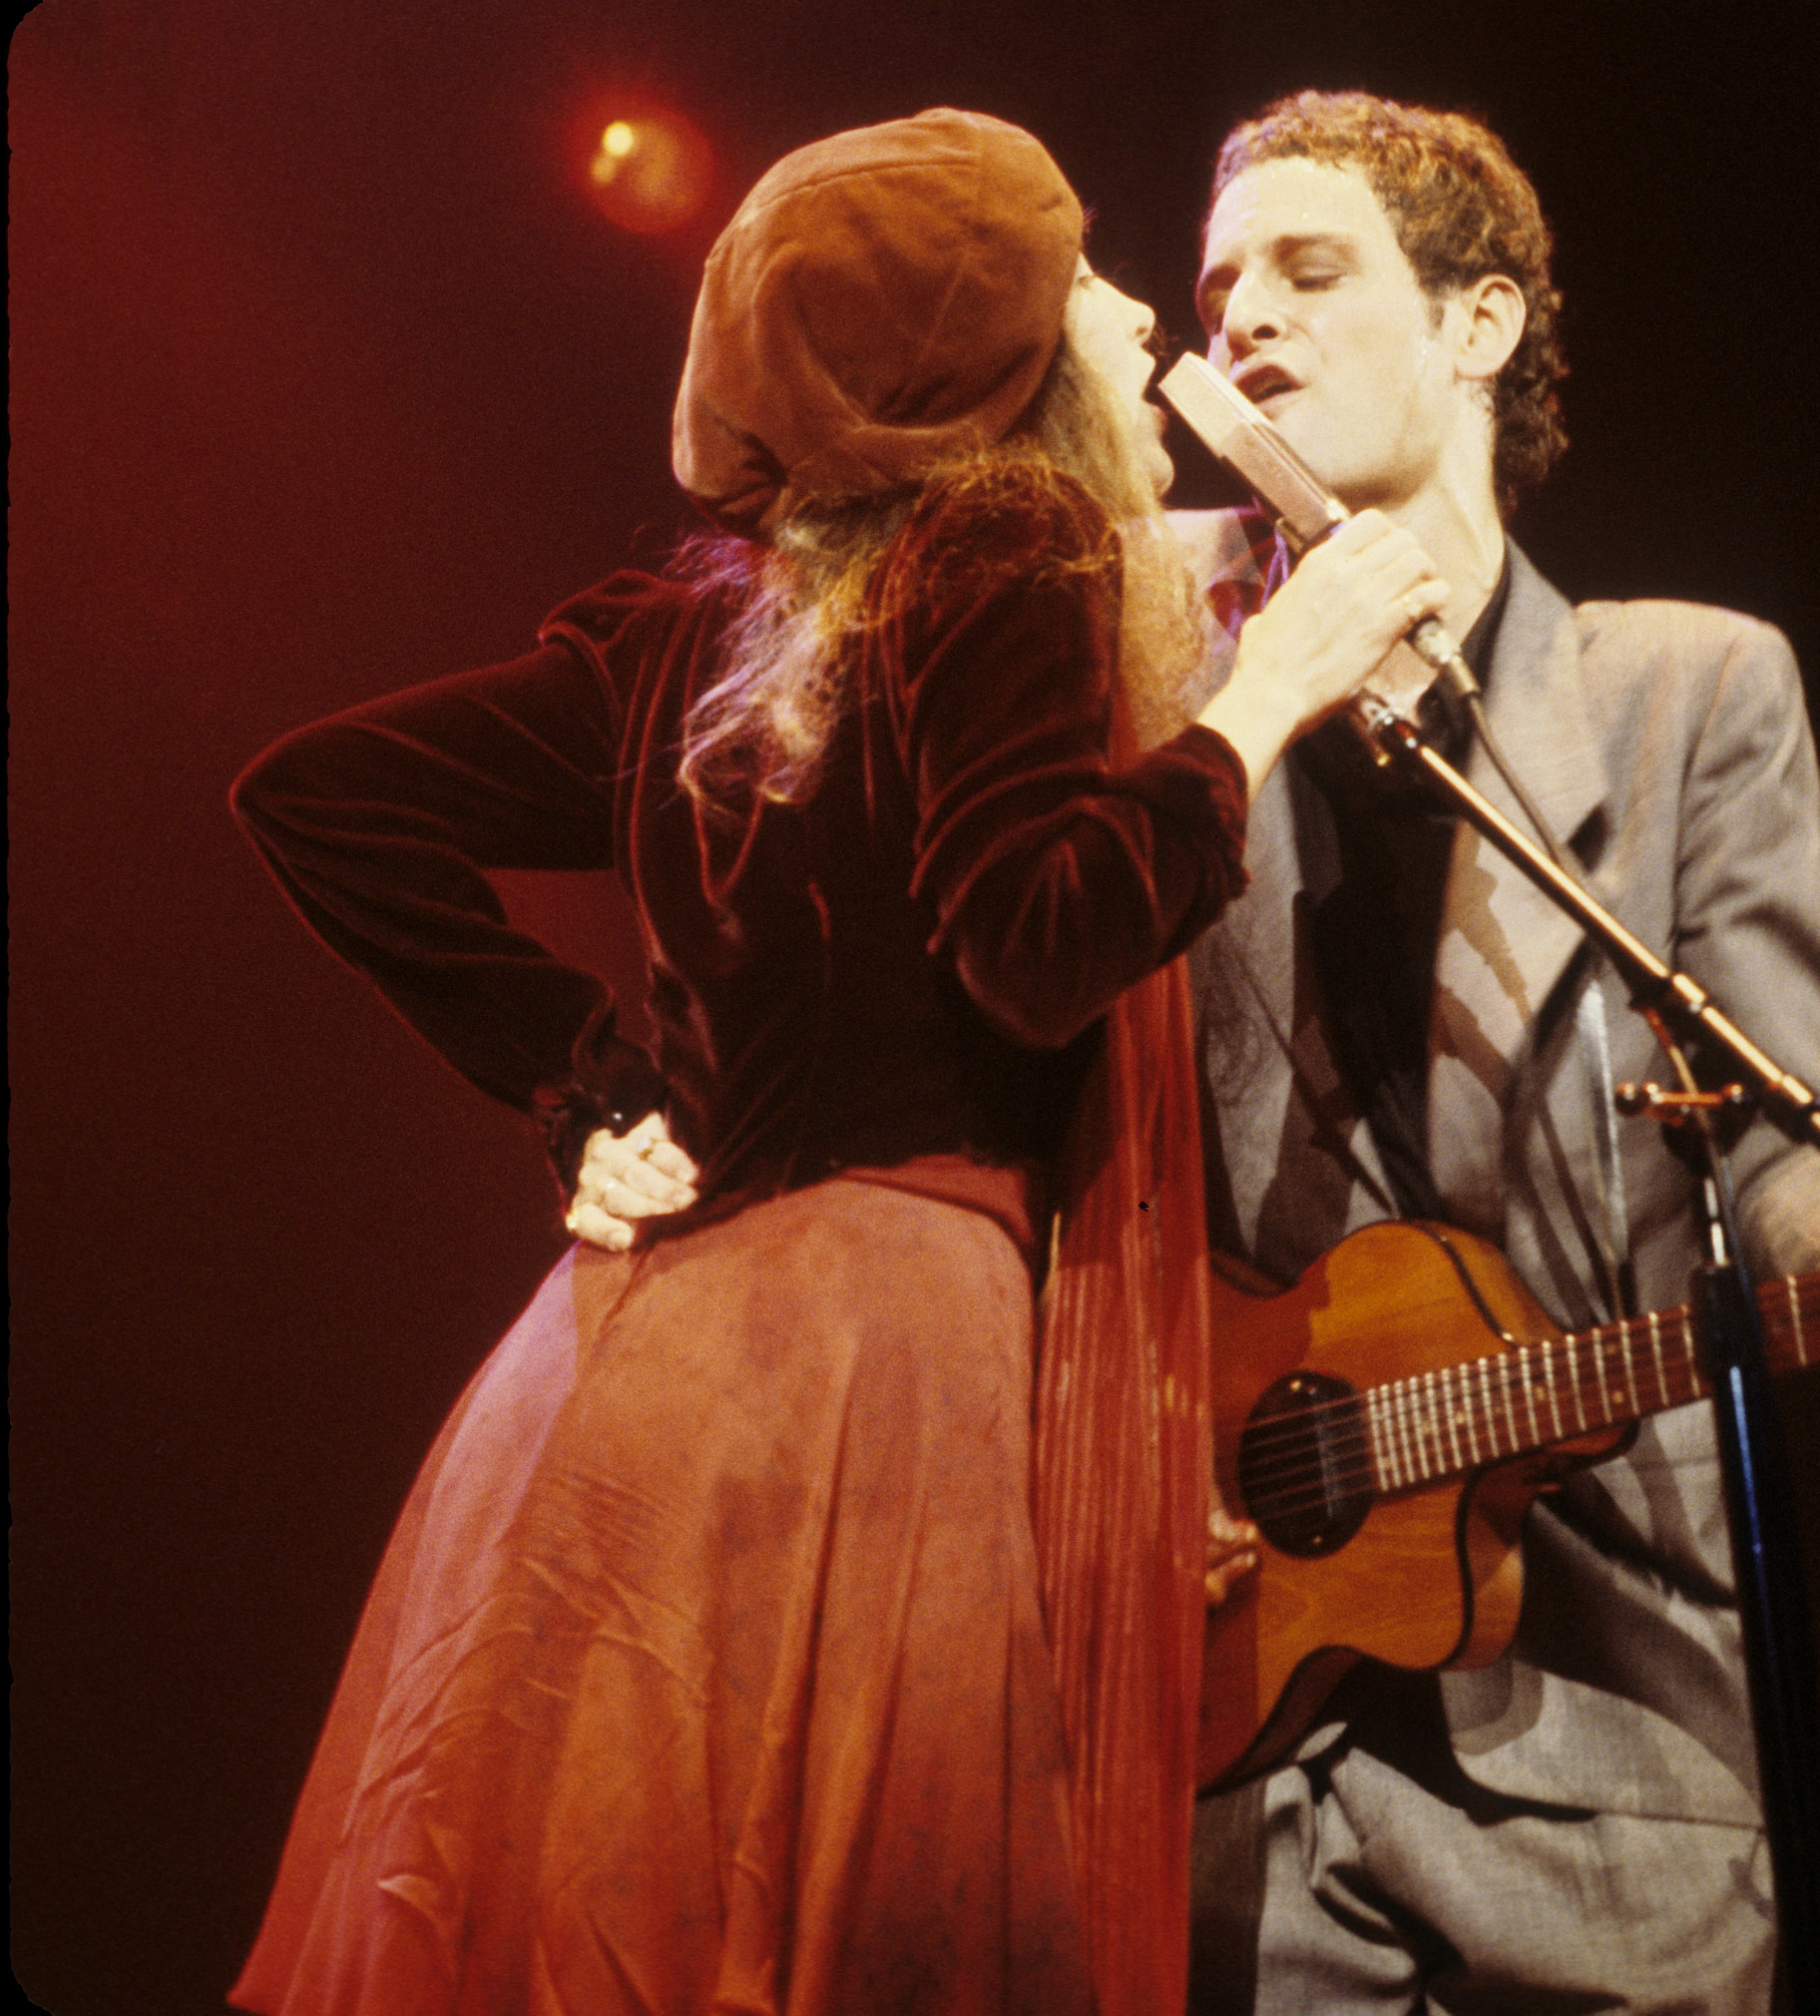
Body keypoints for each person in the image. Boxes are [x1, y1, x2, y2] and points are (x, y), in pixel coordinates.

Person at [226, 109, 1447, 2016]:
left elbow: (315, 794)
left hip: (627, 1379)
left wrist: (583, 1080)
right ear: (991, 356)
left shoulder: (697, 626)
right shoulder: (1014, 544)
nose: (1140, 320)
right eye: (1089, 280)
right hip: (865, 1370)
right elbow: (1037, 945)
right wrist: (1264, 699)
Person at [1170, 93, 1820, 2016]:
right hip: (1227, 1710)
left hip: (1606, 1707)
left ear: (1476, 328)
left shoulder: (1689, 691)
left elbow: (1785, 1127)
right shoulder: (1152, 654)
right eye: (1221, 281)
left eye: (1311, 269)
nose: (1246, 312)